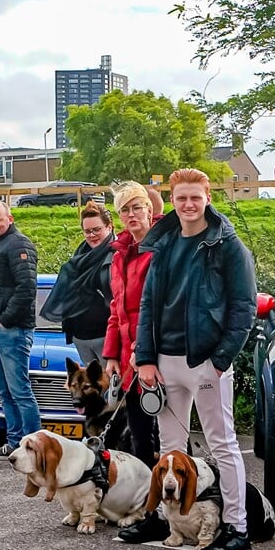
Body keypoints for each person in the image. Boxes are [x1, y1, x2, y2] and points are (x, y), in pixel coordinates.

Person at [132, 168, 258, 550]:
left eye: (195, 198)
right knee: (170, 449)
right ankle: (168, 521)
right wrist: (145, 357)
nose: (188, 205)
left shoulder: (228, 245)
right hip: (165, 361)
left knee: (223, 446)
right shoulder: (165, 243)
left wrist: (221, 360)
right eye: (181, 198)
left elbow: (244, 307)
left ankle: (237, 528)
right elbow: (149, 304)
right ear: (172, 200)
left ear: (207, 198)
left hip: (205, 361)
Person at [104, 183, 166, 472]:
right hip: (129, 357)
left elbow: (161, 309)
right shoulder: (119, 255)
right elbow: (117, 310)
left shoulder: (162, 249)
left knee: (167, 433)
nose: (131, 214)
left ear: (150, 209)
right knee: (139, 433)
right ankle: (145, 503)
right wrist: (112, 354)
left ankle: (176, 502)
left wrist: (142, 351)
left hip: (157, 353)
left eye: (136, 207)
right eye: (124, 210)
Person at [0, 201, 40, 459]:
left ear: (9, 218)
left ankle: (34, 447)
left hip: (11, 330)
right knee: (4, 390)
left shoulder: (19, 245)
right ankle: (14, 442)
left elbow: (27, 287)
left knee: (20, 391)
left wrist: (6, 319)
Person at [45, 203, 116, 365]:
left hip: (107, 338)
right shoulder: (79, 256)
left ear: (109, 227)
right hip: (80, 337)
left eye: (97, 229)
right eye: (87, 231)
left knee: (112, 388)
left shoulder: (118, 255)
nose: (92, 235)